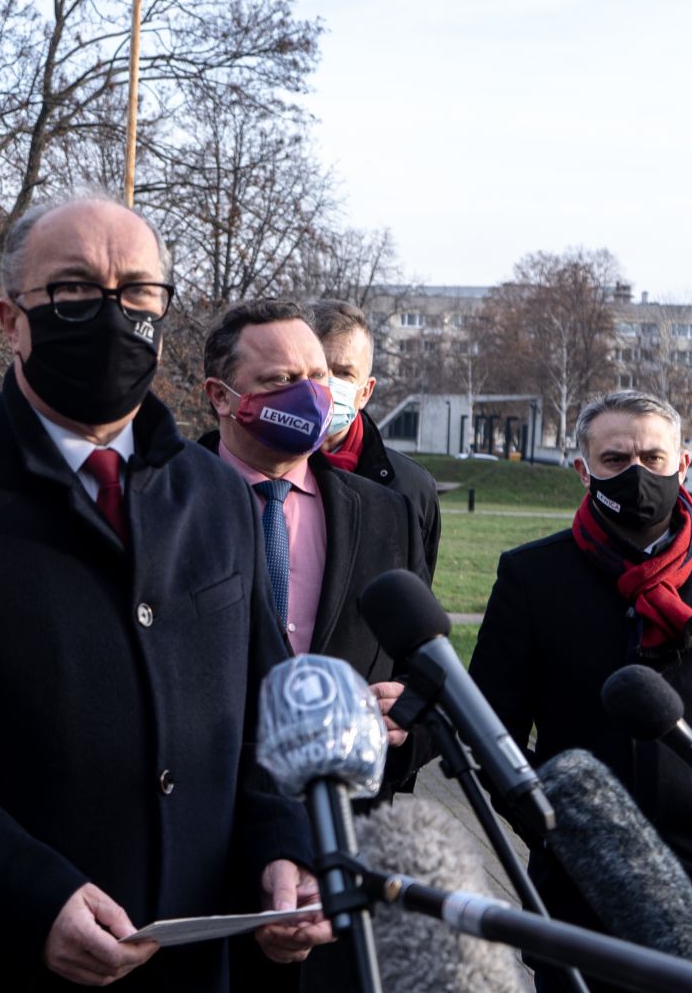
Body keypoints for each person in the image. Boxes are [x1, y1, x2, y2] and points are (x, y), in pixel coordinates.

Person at [0, 193, 329, 990]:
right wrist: (25, 895)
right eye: (74, 289)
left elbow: (262, 713)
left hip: (186, 964)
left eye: (137, 292)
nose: (112, 314)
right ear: (11, 321)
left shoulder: (214, 494)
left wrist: (281, 847)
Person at [472, 390, 692, 990]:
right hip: (577, 891)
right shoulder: (531, 576)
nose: (637, 473)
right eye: (615, 459)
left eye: (653, 458)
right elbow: (489, 729)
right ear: (583, 470)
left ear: (683, 465)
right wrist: (554, 825)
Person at [199, 298, 430, 993]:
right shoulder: (164, 499)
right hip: (200, 857)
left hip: (340, 862)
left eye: (318, 376)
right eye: (280, 380)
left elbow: (421, 675)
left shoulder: (385, 512)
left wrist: (408, 719)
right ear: (220, 395)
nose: (308, 394)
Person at [304, 299, 441, 575]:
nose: (328, 384)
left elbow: (413, 589)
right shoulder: (263, 466)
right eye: (318, 371)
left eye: (344, 373)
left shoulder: (411, 487)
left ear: (365, 392)